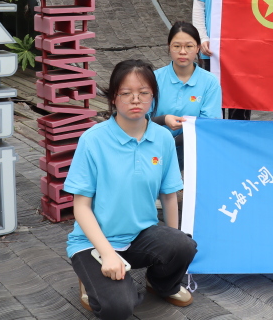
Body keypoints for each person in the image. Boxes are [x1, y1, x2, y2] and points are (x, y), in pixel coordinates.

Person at [64, 59, 197, 319]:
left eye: (143, 92)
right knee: (118, 307)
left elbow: (169, 196)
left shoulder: (162, 138)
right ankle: (90, 278)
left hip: (140, 236)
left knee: (183, 244)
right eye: (126, 93)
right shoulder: (93, 140)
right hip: (94, 243)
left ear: (153, 96)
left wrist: (173, 245)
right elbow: (81, 207)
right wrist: (107, 254)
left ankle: (161, 284)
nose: (135, 100)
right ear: (113, 97)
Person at [151, 21, 221, 169]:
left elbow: (209, 125)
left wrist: (173, 143)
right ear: (169, 47)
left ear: (198, 48)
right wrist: (164, 119)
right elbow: (141, 119)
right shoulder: (154, 78)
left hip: (193, 152)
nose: (182, 52)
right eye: (177, 46)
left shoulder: (210, 82)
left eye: (189, 46)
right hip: (155, 149)